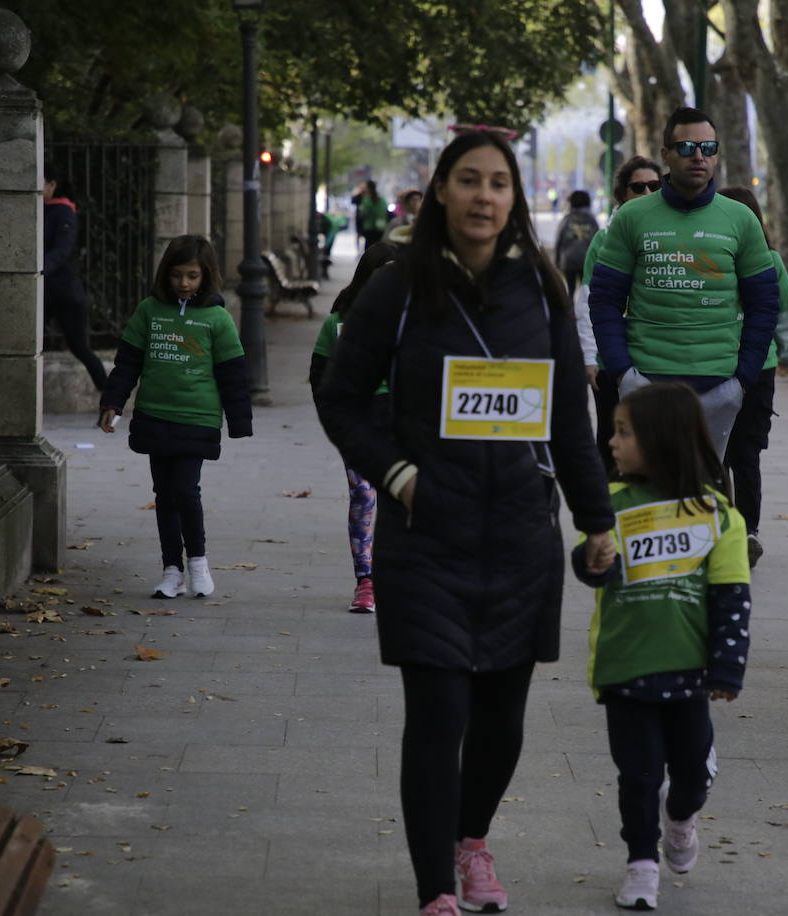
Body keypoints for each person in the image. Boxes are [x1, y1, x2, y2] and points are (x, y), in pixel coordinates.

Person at [314, 130, 617, 916]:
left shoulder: (542, 292)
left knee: (501, 723)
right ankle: (435, 891)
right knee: (438, 712)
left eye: (498, 184)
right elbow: (341, 395)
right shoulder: (396, 290)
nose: (485, 196)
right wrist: (398, 474)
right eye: (469, 181)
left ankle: (471, 838)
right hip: (428, 537)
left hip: (519, 535)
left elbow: (570, 425)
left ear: (514, 200)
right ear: (440, 191)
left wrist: (596, 520)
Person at [571, 382, 750, 911]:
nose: (611, 441)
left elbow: (732, 598)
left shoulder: (717, 515)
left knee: (691, 773)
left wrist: (727, 669)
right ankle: (640, 864)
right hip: (625, 666)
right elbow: (589, 564)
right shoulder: (612, 504)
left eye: (624, 433)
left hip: (689, 671)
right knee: (638, 773)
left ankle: (681, 817)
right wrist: (592, 561)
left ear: (662, 440)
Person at [588, 106, 781, 461]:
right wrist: (622, 374)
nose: (698, 157)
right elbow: (603, 300)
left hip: (719, 386)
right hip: (645, 384)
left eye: (708, 148)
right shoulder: (631, 217)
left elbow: (765, 304)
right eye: (687, 147)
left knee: (704, 497)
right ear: (665, 155)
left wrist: (742, 379)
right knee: (646, 495)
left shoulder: (742, 220)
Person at [98, 235, 252, 599]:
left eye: (193, 276)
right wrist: (113, 403)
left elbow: (233, 373)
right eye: (178, 275)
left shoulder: (218, 319)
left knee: (186, 490)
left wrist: (239, 421)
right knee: (164, 495)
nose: (184, 283)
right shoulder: (149, 311)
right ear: (166, 274)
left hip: (197, 418)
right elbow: (128, 362)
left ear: (206, 276)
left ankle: (198, 562)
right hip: (155, 415)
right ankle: (172, 571)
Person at [718, 185, 788, 567]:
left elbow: (785, 315)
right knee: (712, 454)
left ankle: (747, 531)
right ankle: (716, 528)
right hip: (712, 365)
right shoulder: (708, 255)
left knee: (746, 453)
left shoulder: (770, 261)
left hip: (758, 370)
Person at [309, 241, 399, 613]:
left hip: (401, 423)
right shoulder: (339, 322)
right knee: (364, 496)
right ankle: (366, 580)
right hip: (357, 425)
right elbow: (319, 375)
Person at [576, 156, 663, 471]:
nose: (646, 192)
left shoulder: (674, 236)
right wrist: (589, 358)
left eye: (655, 186)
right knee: (611, 443)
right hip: (611, 364)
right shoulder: (605, 239)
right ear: (622, 194)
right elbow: (588, 300)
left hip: (659, 360)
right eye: (637, 187)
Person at [43, 170, 108, 391]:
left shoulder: (63, 212)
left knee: (80, 348)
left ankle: (109, 399)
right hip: (45, 291)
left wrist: (40, 269)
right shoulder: (41, 209)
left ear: (52, 184)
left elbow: (62, 250)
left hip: (65, 293)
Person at [554, 189, 600, 296]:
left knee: (570, 289)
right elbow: (598, 243)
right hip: (586, 261)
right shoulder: (592, 221)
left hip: (568, 261)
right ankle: (582, 311)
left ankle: (570, 310)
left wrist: (557, 260)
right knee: (586, 291)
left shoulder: (566, 220)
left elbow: (558, 240)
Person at [355, 180, 389, 250]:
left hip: (369, 228)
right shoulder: (382, 200)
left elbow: (363, 214)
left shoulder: (366, 200)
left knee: (369, 248)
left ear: (368, 188)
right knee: (379, 248)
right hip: (381, 227)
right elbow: (385, 212)